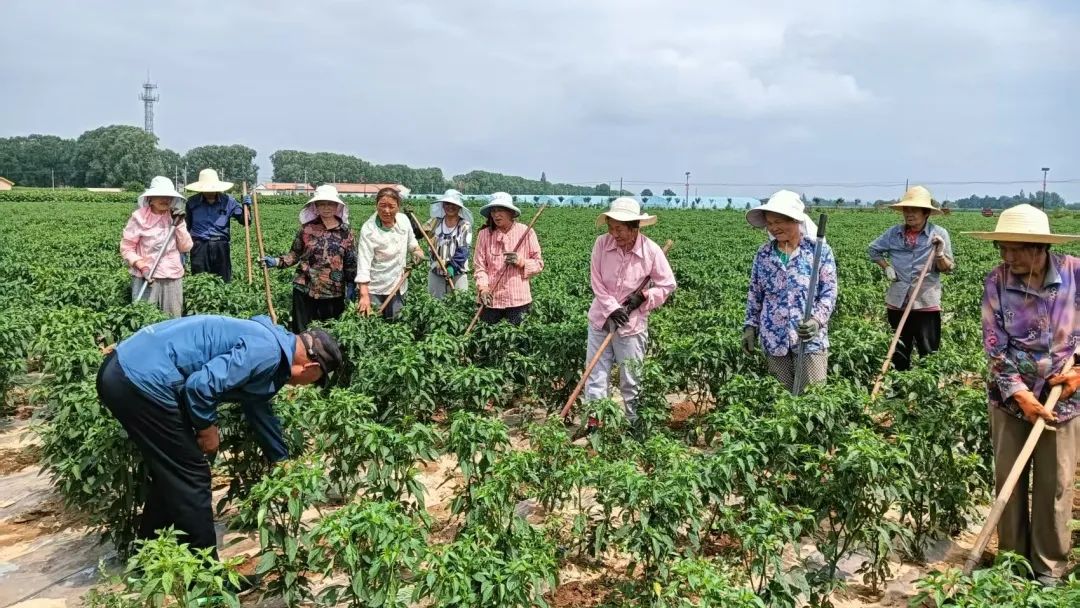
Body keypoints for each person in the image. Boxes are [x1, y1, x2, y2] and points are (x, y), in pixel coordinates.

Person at [95, 314, 342, 555]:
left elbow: (257, 406)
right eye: (316, 380)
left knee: (175, 471)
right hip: (139, 379)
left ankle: (147, 553)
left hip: (125, 367)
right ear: (310, 367)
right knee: (193, 474)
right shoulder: (266, 351)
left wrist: (281, 459)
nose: (307, 385)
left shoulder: (272, 343)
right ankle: (208, 577)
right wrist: (207, 428)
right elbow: (200, 385)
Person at [965, 204, 1080, 586]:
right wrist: (1018, 393)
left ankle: (1049, 568)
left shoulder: (1075, 274)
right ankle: (1012, 563)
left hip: (1063, 400)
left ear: (1040, 248)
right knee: (1009, 482)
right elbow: (994, 345)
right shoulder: (996, 281)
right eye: (1003, 248)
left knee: (1056, 484)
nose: (1007, 257)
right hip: (1010, 398)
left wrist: (1079, 371)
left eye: (1016, 249)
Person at [582, 198, 675, 424]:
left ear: (635, 227)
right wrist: (613, 308)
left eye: (620, 229)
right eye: (611, 228)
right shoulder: (601, 245)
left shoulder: (651, 251)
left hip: (631, 326)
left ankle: (635, 425)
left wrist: (643, 297)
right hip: (600, 321)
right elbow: (597, 282)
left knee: (631, 378)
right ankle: (596, 425)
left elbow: (667, 285)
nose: (615, 233)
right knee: (595, 375)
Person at [741, 190, 837, 393]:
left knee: (812, 397)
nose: (774, 228)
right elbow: (755, 293)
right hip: (774, 337)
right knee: (781, 400)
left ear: (795, 220)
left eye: (779, 222)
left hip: (809, 339)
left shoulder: (818, 251)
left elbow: (829, 292)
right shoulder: (764, 254)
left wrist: (816, 320)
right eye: (770, 223)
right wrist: (750, 326)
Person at [867, 186, 955, 371]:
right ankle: (899, 392)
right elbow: (873, 249)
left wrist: (939, 253)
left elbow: (948, 268)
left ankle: (927, 395)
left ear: (926, 213)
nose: (909, 214)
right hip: (898, 300)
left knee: (928, 351)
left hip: (925, 302)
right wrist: (887, 267)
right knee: (899, 350)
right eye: (906, 209)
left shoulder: (938, 234)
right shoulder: (893, 233)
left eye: (914, 210)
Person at [263, 185, 356, 332]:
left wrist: (352, 284)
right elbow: (294, 254)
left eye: (330, 203)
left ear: (337, 206)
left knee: (329, 334)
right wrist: (276, 261)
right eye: (322, 204)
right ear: (316, 207)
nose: (326, 207)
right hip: (304, 287)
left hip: (333, 290)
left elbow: (350, 262)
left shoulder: (346, 233)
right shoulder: (307, 229)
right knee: (301, 332)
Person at [121, 176, 193, 318]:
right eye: (160, 195)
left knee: (172, 318)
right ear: (150, 198)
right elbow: (127, 248)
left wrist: (179, 225)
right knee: (143, 318)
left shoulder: (176, 217)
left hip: (171, 275)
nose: (165, 199)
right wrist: (142, 266)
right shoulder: (139, 218)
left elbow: (186, 247)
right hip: (147, 276)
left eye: (168, 196)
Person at [473, 192, 544, 325]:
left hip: (518, 300)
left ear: (511, 212)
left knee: (519, 340)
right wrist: (483, 288)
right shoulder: (484, 234)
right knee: (487, 339)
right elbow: (480, 266)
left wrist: (521, 261)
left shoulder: (526, 232)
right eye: (493, 211)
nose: (496, 214)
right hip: (491, 299)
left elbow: (539, 264)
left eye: (500, 210)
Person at [355, 186, 425, 320]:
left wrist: (417, 251)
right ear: (376, 205)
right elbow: (363, 262)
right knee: (372, 324)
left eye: (391, 206)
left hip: (398, 283)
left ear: (398, 207)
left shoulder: (404, 221)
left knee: (397, 323)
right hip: (374, 286)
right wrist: (364, 294)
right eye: (382, 205)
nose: (386, 211)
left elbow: (412, 243)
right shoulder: (369, 229)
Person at [184, 169, 247, 283]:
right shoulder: (192, 202)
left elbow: (245, 221)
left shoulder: (229, 201)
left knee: (223, 280)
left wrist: (247, 207)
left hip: (220, 246)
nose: (209, 192)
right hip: (199, 246)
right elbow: (186, 227)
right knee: (199, 280)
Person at [425, 189, 473, 298]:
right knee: (435, 304)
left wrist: (451, 267)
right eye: (447, 204)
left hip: (457, 273)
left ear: (459, 207)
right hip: (436, 271)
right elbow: (420, 233)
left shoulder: (464, 225)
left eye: (454, 204)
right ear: (442, 205)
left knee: (458, 304)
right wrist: (414, 224)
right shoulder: (435, 222)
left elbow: (464, 249)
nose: (450, 207)